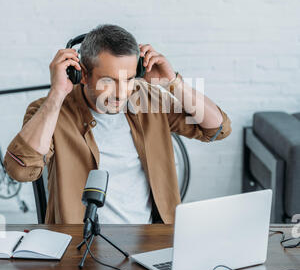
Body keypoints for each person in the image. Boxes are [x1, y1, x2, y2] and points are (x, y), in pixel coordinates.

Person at [4, 24, 232, 224]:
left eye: (129, 79)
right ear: (82, 75)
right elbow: (20, 171)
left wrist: (173, 82)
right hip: (79, 248)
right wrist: (56, 94)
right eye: (108, 81)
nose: (122, 92)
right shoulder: (50, 109)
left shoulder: (146, 99)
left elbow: (217, 129)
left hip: (149, 241)